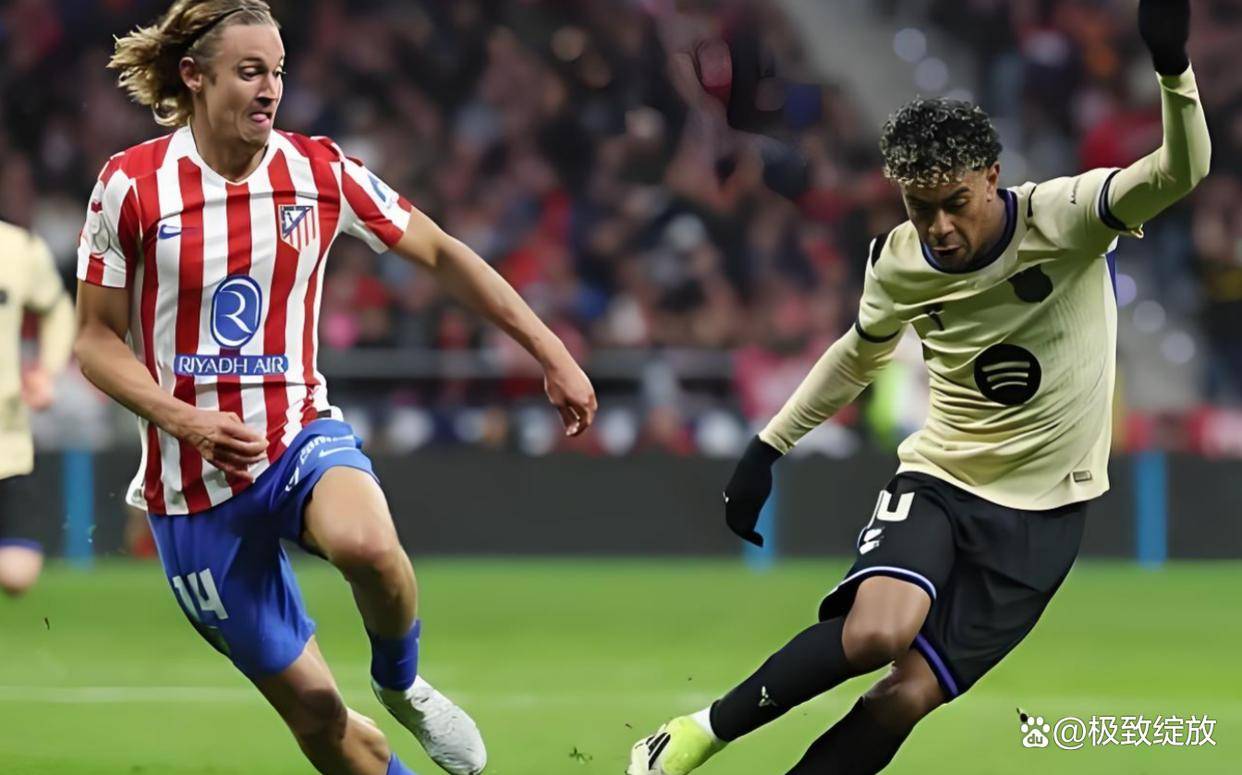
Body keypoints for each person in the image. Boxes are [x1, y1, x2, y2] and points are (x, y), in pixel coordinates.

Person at [628, 1, 1208, 773]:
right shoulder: (898, 262)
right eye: (919, 206)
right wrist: (766, 448)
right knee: (877, 631)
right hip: (943, 477)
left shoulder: (1065, 218)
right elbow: (857, 355)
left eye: (954, 204)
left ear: (992, 178)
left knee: (903, 696)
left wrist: (1172, 69)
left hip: (1046, 512)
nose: (938, 227)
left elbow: (1180, 171)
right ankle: (697, 731)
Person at [74, 2, 596, 774]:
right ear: (194, 75)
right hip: (192, 492)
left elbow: (441, 252)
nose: (270, 89)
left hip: (296, 437)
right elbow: (94, 340)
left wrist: (551, 350)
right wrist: (185, 419)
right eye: (250, 71)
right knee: (322, 722)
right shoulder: (131, 185)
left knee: (368, 545)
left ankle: (402, 682)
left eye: (278, 72)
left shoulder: (318, 172)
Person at [0, 221, 75, 597]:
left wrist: (47, 371)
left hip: (6, 440)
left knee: (18, 574)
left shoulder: (18, 247)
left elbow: (57, 308)